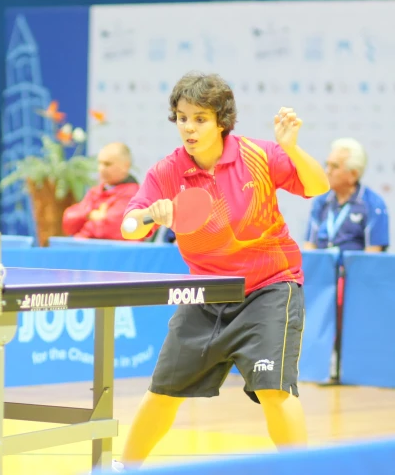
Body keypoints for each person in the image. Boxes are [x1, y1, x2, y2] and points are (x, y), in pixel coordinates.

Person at [113, 72, 330, 472]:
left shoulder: (258, 155)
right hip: (207, 292)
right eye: (182, 118)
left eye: (200, 119)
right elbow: (128, 227)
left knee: (274, 391)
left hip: (269, 287)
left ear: (221, 121)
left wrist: (292, 149)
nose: (189, 128)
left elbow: (317, 186)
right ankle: (124, 468)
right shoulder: (167, 171)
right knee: (163, 391)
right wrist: (148, 216)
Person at [304, 137, 389, 252]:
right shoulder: (321, 201)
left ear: (353, 174)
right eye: (327, 165)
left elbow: (372, 258)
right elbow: (309, 248)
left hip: (356, 269)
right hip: (322, 268)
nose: (327, 171)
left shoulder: (373, 204)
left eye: (334, 166)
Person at [62, 142, 140, 240]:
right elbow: (68, 222)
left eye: (107, 164)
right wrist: (90, 214)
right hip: (88, 249)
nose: (101, 169)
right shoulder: (95, 191)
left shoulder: (135, 196)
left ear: (126, 166)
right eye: (100, 163)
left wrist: (84, 226)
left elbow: (110, 230)